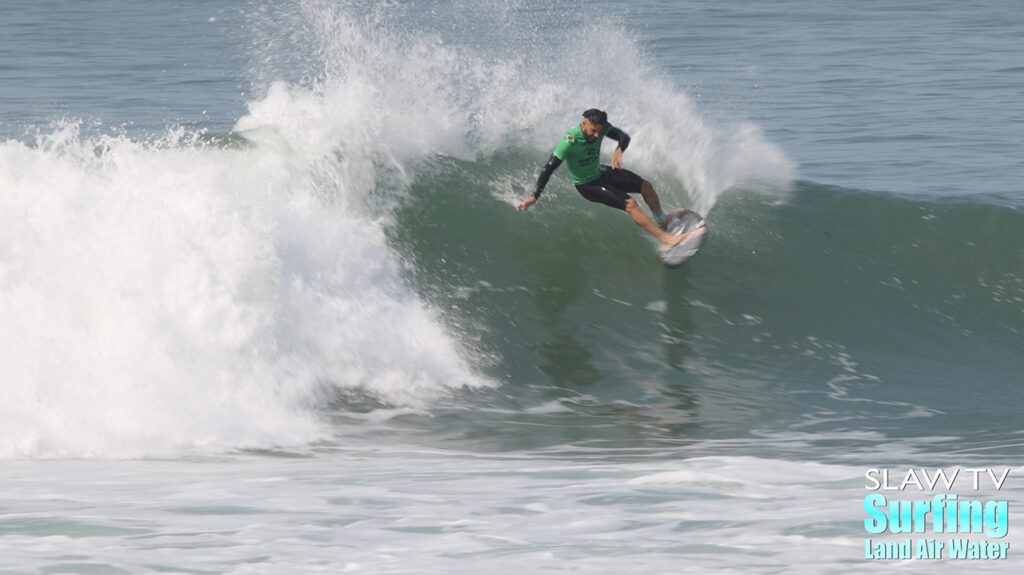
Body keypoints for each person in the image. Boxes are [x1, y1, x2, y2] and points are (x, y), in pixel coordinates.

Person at [517, 108, 688, 248]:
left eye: (600, 131)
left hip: (600, 172)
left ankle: (661, 219)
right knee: (631, 205)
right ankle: (666, 239)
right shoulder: (569, 142)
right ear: (584, 123)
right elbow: (548, 168)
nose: (597, 136)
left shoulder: (602, 128)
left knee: (645, 186)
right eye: (593, 131)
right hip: (587, 185)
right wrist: (535, 196)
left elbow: (623, 136)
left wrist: (620, 149)